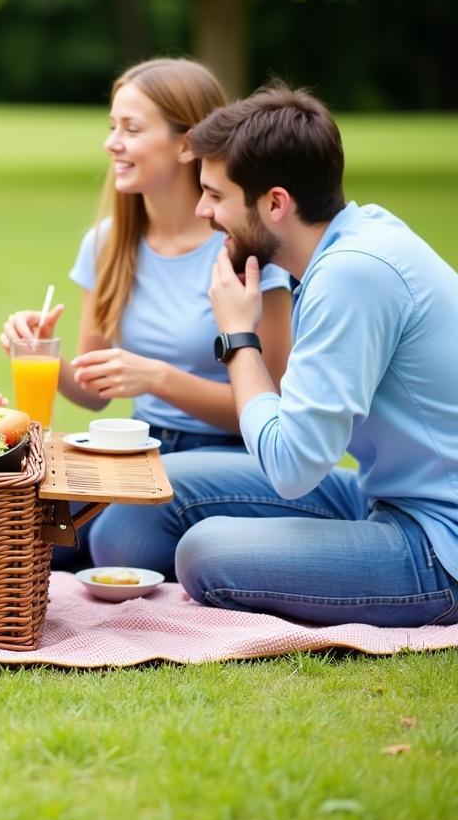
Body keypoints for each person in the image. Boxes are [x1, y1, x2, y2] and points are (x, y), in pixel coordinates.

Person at [135, 83, 458, 626]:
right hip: (383, 498)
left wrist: (239, 339)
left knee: (204, 552)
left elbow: (293, 468)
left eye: (215, 195)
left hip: (439, 543)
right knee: (157, 485)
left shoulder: (353, 275)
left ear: (275, 203)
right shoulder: (349, 242)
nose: (201, 209)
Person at [0, 59, 292, 568]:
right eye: (112, 127)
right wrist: (41, 351)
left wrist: (156, 378)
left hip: (232, 452)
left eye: (131, 129)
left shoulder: (244, 249)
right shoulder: (109, 243)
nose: (112, 143)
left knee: (115, 539)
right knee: (20, 519)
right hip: (139, 447)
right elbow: (90, 393)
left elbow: (278, 408)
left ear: (186, 145)